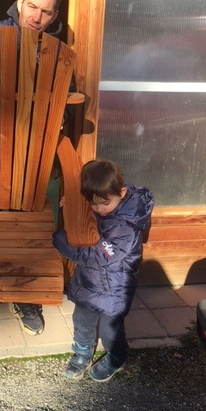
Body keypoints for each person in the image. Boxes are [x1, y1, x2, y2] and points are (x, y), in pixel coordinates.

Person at [0, 0, 65, 336]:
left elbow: (67, 99)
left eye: (46, 12)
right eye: (33, 6)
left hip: (33, 150)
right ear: (20, 1)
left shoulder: (57, 51)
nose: (37, 17)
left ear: (54, 15)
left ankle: (24, 295)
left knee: (28, 222)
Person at [52, 159, 154, 381]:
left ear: (122, 193)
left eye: (104, 203)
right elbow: (87, 220)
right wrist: (70, 206)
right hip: (89, 282)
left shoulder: (126, 228)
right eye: (93, 203)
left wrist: (64, 244)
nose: (99, 209)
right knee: (82, 321)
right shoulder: (105, 204)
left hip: (114, 289)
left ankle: (116, 357)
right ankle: (82, 353)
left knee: (111, 331)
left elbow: (97, 255)